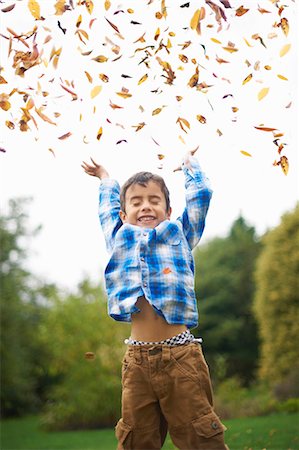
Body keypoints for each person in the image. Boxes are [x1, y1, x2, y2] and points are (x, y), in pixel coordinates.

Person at [82, 151, 228, 450]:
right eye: (136, 202)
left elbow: (201, 197)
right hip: (136, 363)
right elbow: (106, 209)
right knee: (135, 439)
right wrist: (105, 177)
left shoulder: (180, 234)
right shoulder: (118, 236)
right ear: (124, 215)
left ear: (168, 210)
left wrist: (190, 167)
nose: (145, 206)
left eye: (154, 200)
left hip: (182, 358)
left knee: (201, 437)